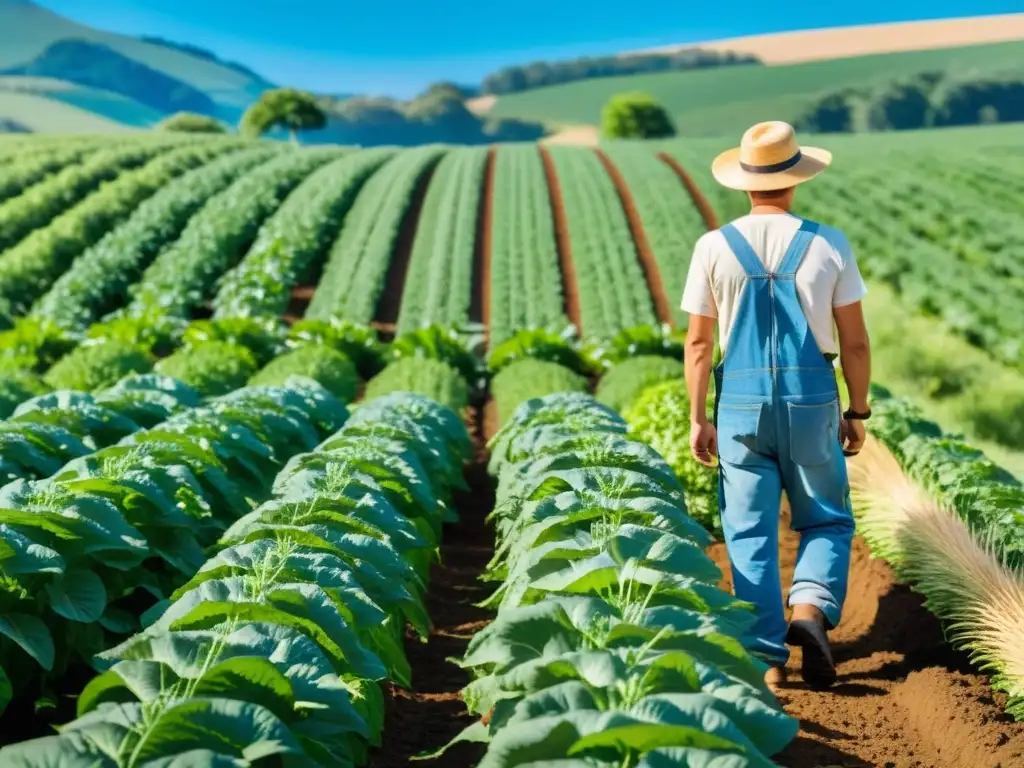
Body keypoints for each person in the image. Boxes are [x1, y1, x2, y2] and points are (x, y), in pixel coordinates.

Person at [681, 121, 871, 693]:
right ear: (795, 180)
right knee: (826, 517)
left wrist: (698, 416)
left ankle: (768, 661)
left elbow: (697, 344)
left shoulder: (713, 247)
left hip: (738, 407)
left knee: (748, 530)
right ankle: (810, 610)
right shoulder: (828, 242)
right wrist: (857, 411)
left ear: (744, 182)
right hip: (812, 398)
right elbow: (856, 341)